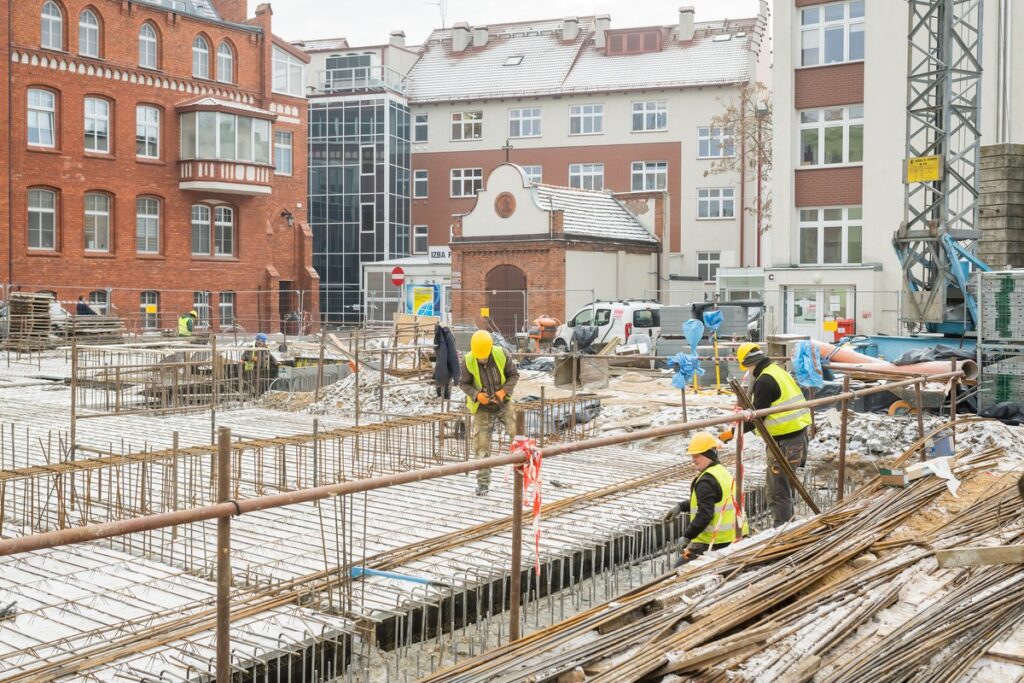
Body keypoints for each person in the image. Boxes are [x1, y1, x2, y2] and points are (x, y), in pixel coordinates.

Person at [722, 342, 812, 527]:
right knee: (785, 487)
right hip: (798, 437)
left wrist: (733, 431)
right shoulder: (776, 371)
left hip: (785, 443)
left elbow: (757, 417)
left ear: (747, 364)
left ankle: (782, 532)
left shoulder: (763, 381)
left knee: (778, 491)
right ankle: (788, 526)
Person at [663, 432, 747, 565]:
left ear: (708, 454)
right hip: (736, 535)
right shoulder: (720, 471)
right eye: (692, 455)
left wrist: (687, 536)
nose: (693, 459)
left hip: (716, 542)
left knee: (679, 569)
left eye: (696, 455)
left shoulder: (706, 481)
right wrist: (681, 506)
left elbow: (705, 514)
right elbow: (709, 501)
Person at [458, 330, 519, 496]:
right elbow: (463, 383)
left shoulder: (501, 354)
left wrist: (503, 392)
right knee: (481, 445)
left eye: (484, 356)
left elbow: (514, 375)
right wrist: (477, 395)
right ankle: (483, 483)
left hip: (502, 402)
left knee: (517, 433)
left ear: (491, 349)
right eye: (480, 357)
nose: (482, 359)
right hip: (482, 406)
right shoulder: (468, 361)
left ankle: (522, 472)